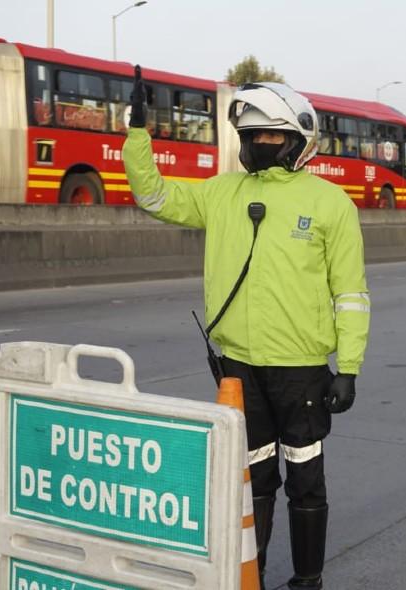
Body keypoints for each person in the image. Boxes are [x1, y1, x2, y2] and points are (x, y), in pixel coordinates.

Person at [122, 71, 370, 590]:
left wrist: (347, 368)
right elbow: (154, 197)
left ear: (299, 140)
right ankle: (247, 577)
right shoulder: (221, 193)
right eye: (251, 136)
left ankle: (307, 579)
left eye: (271, 136)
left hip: (300, 371)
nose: (258, 144)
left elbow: (350, 294)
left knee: (304, 479)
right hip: (237, 370)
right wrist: (138, 134)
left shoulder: (330, 204)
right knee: (252, 480)